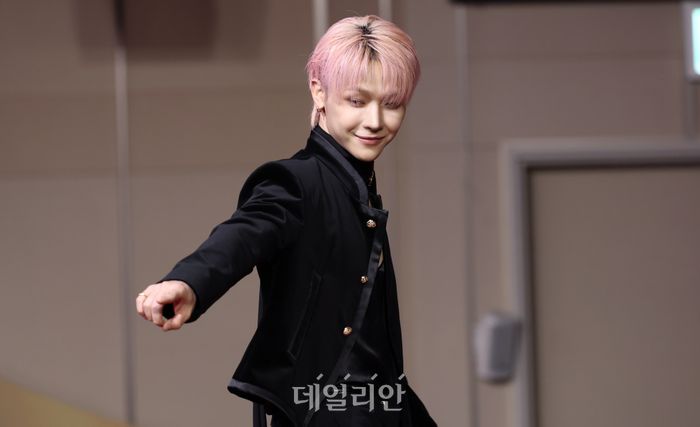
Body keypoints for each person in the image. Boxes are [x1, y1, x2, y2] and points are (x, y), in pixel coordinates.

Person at [135, 15, 437, 427]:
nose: (375, 121)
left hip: (380, 407)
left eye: (392, 104)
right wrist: (189, 282)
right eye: (357, 101)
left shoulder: (358, 192)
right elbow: (245, 233)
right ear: (319, 91)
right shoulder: (297, 182)